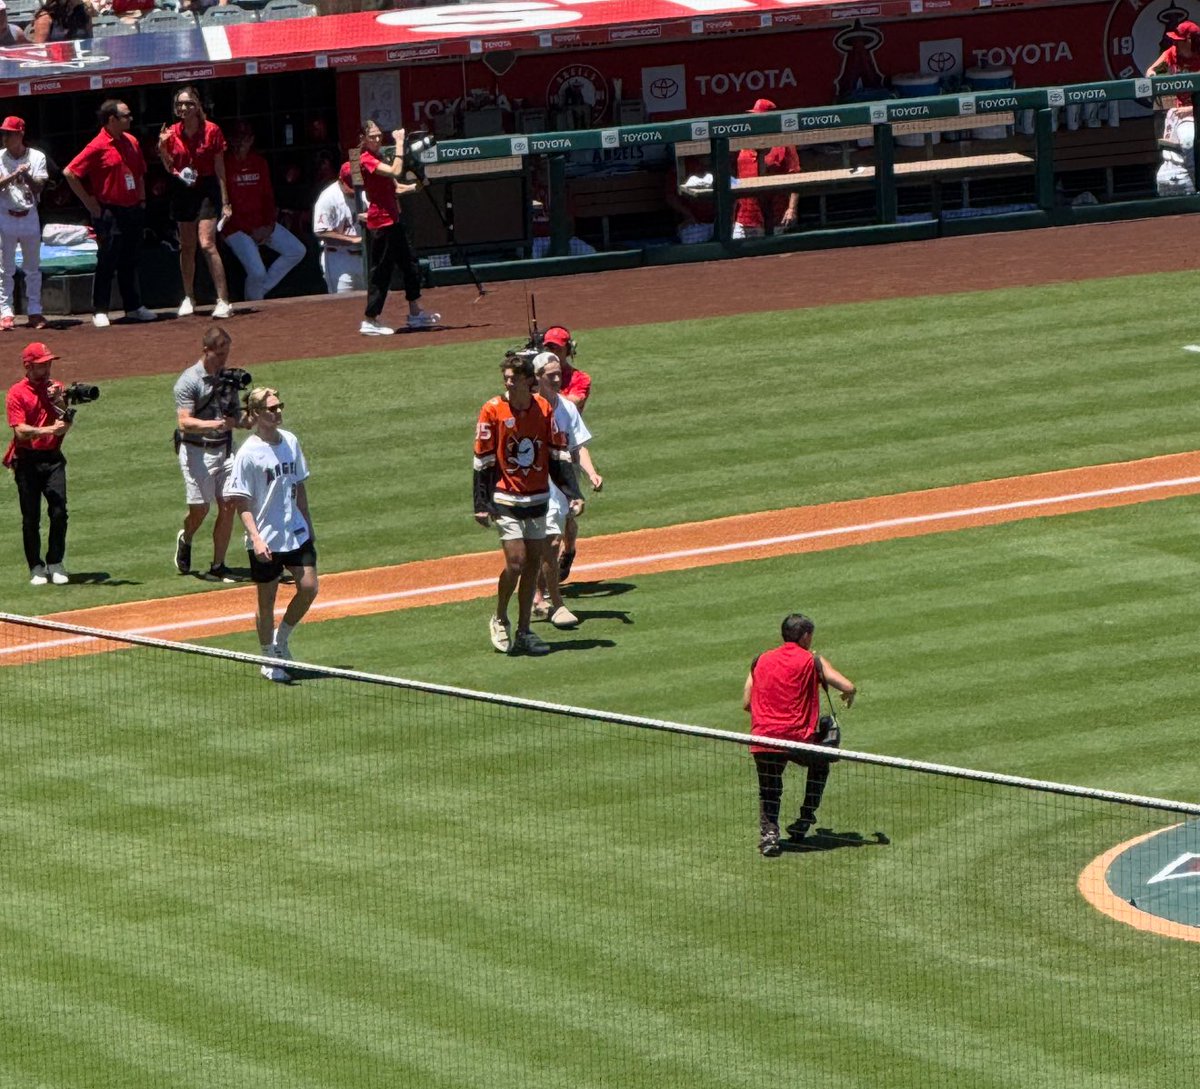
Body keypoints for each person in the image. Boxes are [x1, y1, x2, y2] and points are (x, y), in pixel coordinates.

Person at [473, 352, 583, 656]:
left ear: (527, 381)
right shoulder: (492, 410)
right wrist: (481, 504)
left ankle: (523, 631)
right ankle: (499, 617)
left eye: (514, 378)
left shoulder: (543, 408)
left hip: (537, 499)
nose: (509, 383)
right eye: (506, 378)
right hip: (506, 498)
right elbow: (481, 461)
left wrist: (574, 493)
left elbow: (557, 454)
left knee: (533, 566)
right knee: (516, 563)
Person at [225, 385, 318, 683]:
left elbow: (299, 485)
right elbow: (241, 500)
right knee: (267, 600)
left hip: (295, 530)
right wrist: (255, 537)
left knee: (309, 586)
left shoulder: (290, 441)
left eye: (279, 407)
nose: (278, 412)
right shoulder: (248, 454)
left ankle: (281, 639)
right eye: (271, 408)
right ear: (255, 414)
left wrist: (308, 523)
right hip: (265, 535)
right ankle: (267, 656)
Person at [744, 613, 857, 857]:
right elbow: (847, 686)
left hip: (762, 738)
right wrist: (849, 694)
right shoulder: (811, 660)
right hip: (797, 739)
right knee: (822, 761)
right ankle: (805, 817)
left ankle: (769, 837)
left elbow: (746, 702)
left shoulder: (760, 660)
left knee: (769, 788)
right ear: (805, 636)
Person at [62, 99, 158, 328]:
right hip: (109, 211)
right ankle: (101, 309)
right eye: (126, 115)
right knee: (107, 259)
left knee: (130, 259)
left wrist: (142, 200)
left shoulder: (132, 141)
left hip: (133, 208)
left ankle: (134, 307)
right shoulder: (97, 145)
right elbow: (70, 173)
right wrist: (90, 203)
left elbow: (140, 173)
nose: (130, 119)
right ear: (112, 119)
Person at [530, 350, 602, 628]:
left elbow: (577, 446)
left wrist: (592, 473)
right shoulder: (528, 408)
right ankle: (542, 596)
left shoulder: (567, 408)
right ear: (538, 378)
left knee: (552, 539)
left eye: (559, 373)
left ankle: (542, 594)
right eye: (551, 375)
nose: (558, 379)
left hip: (560, 482)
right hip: (534, 484)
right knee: (548, 541)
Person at [172, 325, 246, 582]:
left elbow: (237, 417)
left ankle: (218, 565)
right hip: (196, 451)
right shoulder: (189, 380)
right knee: (200, 509)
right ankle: (187, 536)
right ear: (206, 351)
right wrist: (213, 425)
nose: (224, 360)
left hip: (225, 450)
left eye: (226, 354)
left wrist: (252, 416)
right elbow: (184, 422)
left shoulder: (229, 380)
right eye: (219, 355)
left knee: (228, 505)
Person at [356, 120, 439, 336]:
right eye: (371, 136)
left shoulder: (380, 156)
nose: (376, 139)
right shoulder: (366, 159)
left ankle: (415, 313)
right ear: (363, 139)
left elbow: (397, 187)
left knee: (410, 264)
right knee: (381, 272)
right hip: (381, 223)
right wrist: (400, 142)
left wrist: (417, 185)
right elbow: (396, 170)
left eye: (378, 135)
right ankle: (370, 319)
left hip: (394, 219)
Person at [157, 85, 233, 320]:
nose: (184, 108)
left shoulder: (212, 130)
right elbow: (170, 168)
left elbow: (220, 166)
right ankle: (189, 296)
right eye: (180, 104)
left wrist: (226, 201)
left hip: (207, 188)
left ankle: (223, 300)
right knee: (187, 246)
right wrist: (161, 147)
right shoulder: (171, 132)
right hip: (182, 189)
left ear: (197, 105)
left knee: (207, 243)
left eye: (188, 103)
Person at [4, 341, 71, 585]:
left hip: (53, 458)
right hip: (27, 461)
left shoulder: (56, 388)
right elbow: (21, 432)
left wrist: (61, 403)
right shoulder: (16, 393)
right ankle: (35, 566)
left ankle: (55, 561)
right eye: (42, 364)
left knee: (59, 511)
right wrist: (49, 429)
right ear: (28, 366)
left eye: (49, 363)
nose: (48, 367)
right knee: (30, 516)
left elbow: (66, 423)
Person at [220, 121, 306, 301]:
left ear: (251, 140)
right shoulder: (224, 164)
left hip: (262, 224)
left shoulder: (259, 162)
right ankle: (254, 301)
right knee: (257, 271)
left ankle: (258, 291)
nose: (240, 143)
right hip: (236, 229)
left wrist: (268, 225)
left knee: (297, 250)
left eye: (244, 139)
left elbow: (268, 196)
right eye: (236, 139)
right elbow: (224, 203)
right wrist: (251, 231)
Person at [539, 324, 592, 582]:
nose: (552, 352)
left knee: (570, 513)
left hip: (568, 450)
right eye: (548, 347)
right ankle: (543, 579)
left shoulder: (580, 379)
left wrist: (545, 381)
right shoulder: (538, 375)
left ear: (568, 350)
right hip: (542, 453)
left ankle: (569, 550)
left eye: (556, 348)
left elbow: (573, 402)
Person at [0, 116, 48, 332]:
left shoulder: (37, 157)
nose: (5, 137)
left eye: (9, 133)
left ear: (20, 134)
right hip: (5, 215)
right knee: (5, 268)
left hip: (29, 215)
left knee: (32, 268)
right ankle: (6, 313)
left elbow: (39, 187)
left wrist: (25, 173)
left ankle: (35, 310)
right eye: (4, 133)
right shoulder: (0, 157)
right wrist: (14, 175)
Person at [732, 98, 800, 239]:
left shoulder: (784, 144)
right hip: (746, 215)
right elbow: (736, 178)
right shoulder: (743, 142)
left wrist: (791, 209)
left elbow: (796, 177)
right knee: (738, 257)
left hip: (776, 214)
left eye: (759, 117)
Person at [313, 161, 365, 294]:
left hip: (365, 257)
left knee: (371, 303)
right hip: (339, 257)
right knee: (343, 305)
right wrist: (352, 240)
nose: (353, 190)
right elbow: (321, 231)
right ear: (341, 180)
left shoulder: (366, 192)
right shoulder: (328, 197)